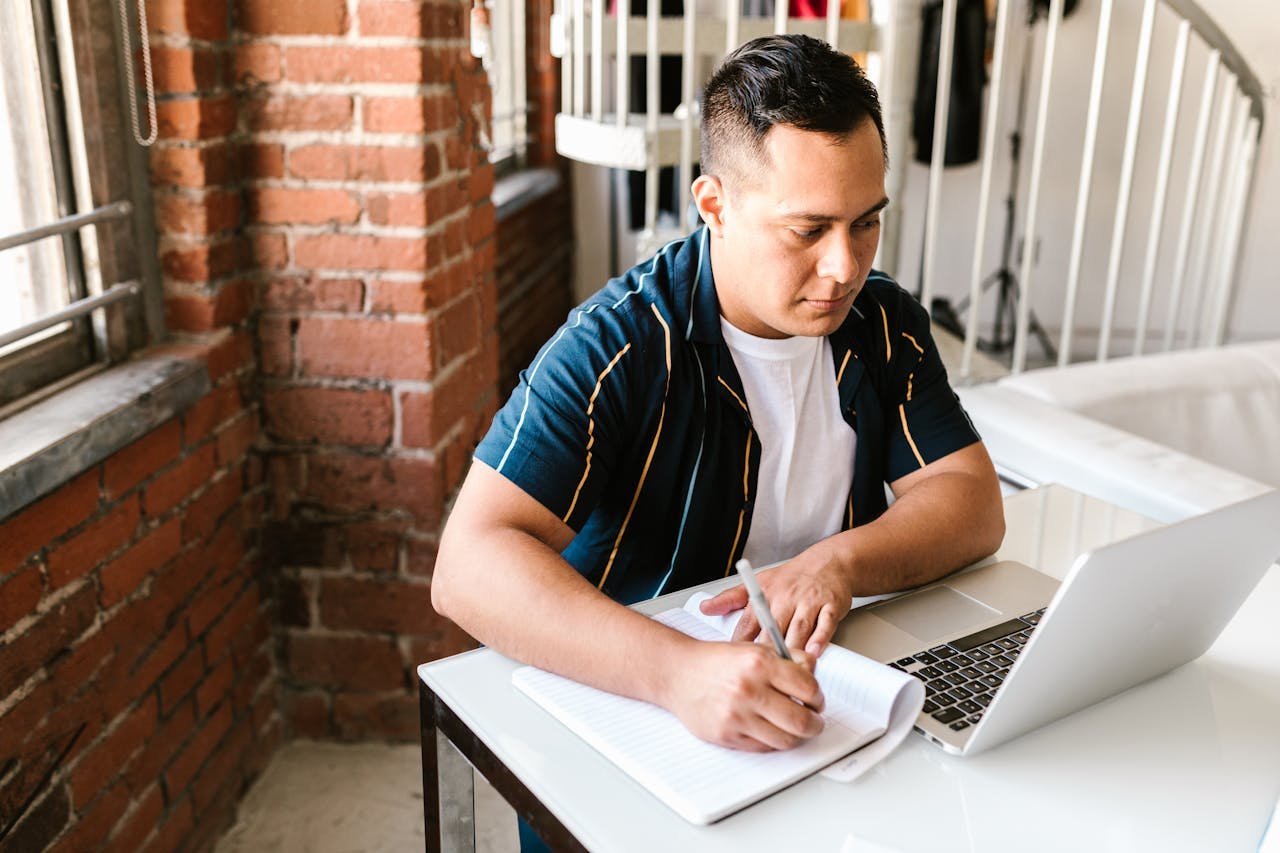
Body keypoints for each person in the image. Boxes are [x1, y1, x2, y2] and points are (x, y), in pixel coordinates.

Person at [434, 32, 1002, 761]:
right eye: (809, 229)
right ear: (715, 205)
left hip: (820, 708)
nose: (845, 265)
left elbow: (970, 498)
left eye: (866, 221)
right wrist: (676, 673)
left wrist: (840, 560)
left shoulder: (883, 323)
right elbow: (467, 566)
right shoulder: (619, 344)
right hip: (631, 718)